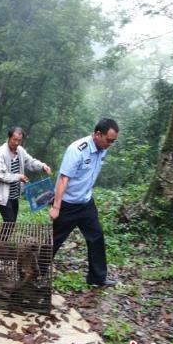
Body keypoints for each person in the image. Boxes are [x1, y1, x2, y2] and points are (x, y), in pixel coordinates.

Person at [48, 118, 119, 287]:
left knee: (96, 236)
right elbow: (64, 178)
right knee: (53, 241)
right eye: (108, 140)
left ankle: (97, 278)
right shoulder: (77, 150)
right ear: (97, 134)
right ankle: (34, 272)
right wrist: (56, 207)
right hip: (68, 204)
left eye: (113, 141)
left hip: (86, 203)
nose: (110, 144)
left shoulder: (103, 149)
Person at [0, 127, 52, 225]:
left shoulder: (20, 151)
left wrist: (42, 166)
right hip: (3, 195)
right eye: (14, 140)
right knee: (9, 222)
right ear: (9, 138)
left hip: (14, 194)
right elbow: (0, 174)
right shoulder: (0, 153)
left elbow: (30, 162)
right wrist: (18, 177)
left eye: (19, 140)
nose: (16, 143)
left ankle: (2, 240)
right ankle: (2, 241)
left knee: (12, 222)